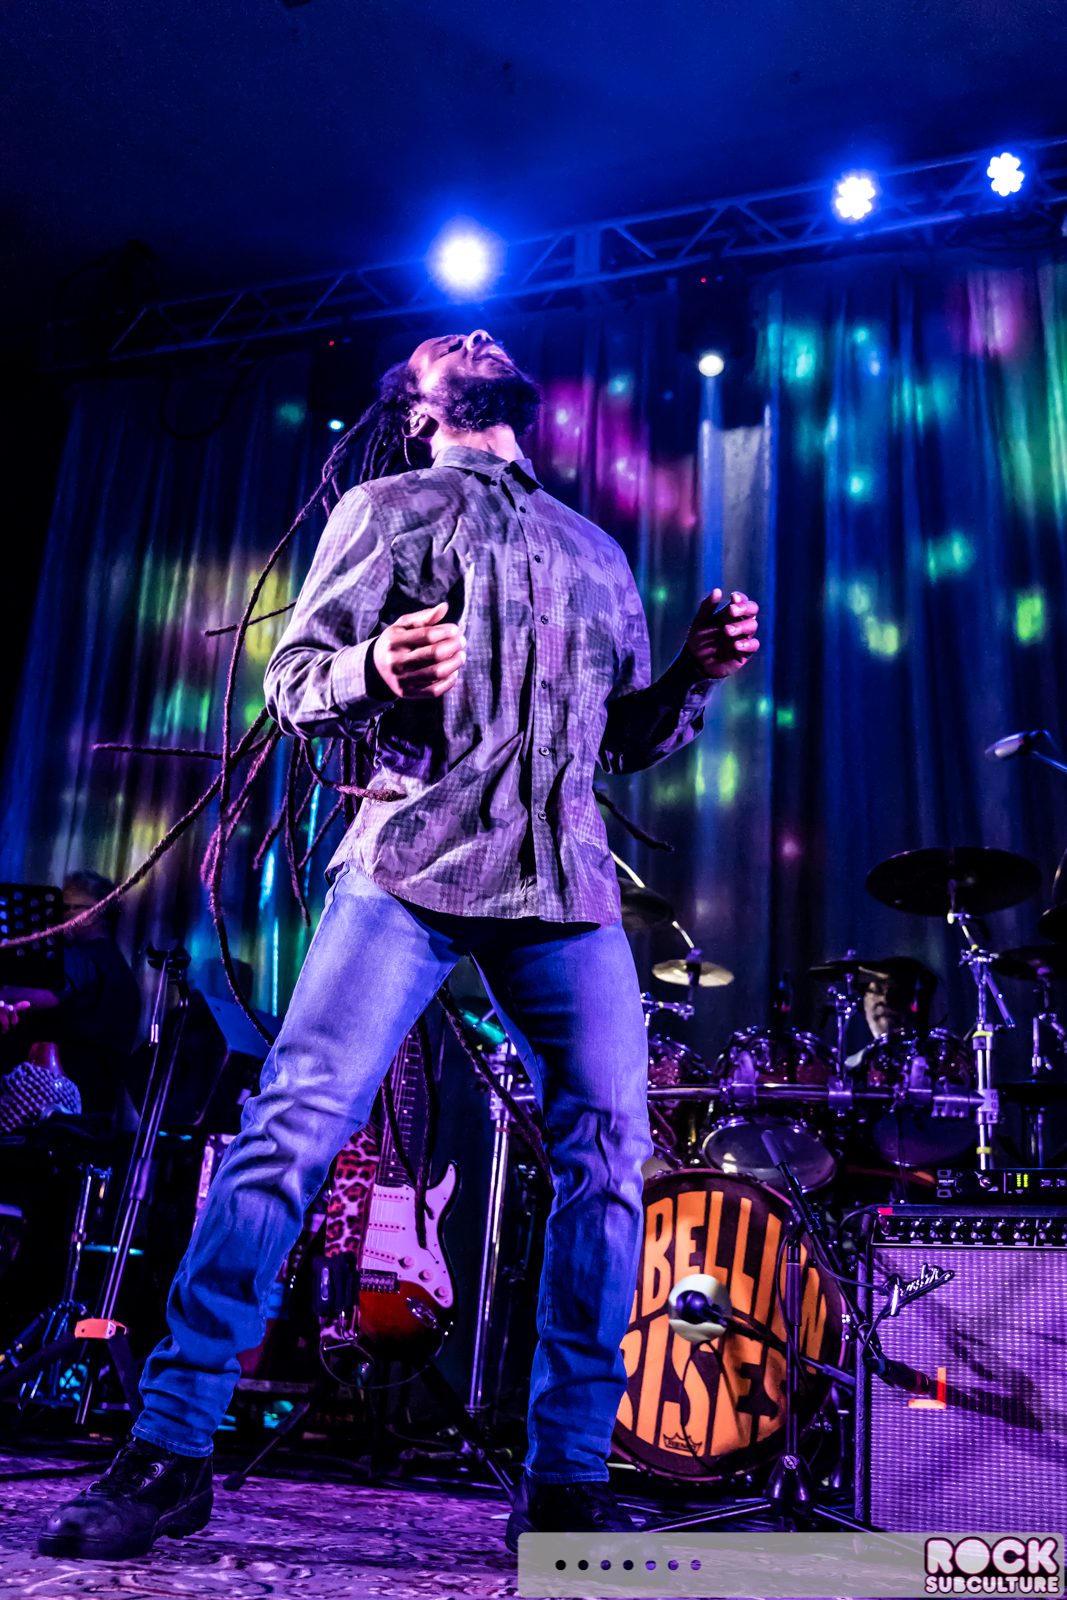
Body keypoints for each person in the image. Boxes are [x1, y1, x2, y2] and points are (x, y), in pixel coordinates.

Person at [41, 328, 760, 1559]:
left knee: (608, 1155)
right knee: (289, 1131)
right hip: (409, 862)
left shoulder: (595, 550)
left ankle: (566, 1476)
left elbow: (620, 739)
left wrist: (689, 674)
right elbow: (294, 680)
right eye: (443, 343)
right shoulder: (385, 509)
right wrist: (371, 663)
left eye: (483, 334)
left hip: (563, 884)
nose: (474, 338)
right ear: (415, 404)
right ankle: (170, 1444)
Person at [0, 869, 141, 1120]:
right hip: (91, 1116)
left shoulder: (80, 958)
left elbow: (32, 997)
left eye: (69, 908)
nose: (59, 916)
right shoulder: (121, 970)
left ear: (98, 912)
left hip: (47, 1112)